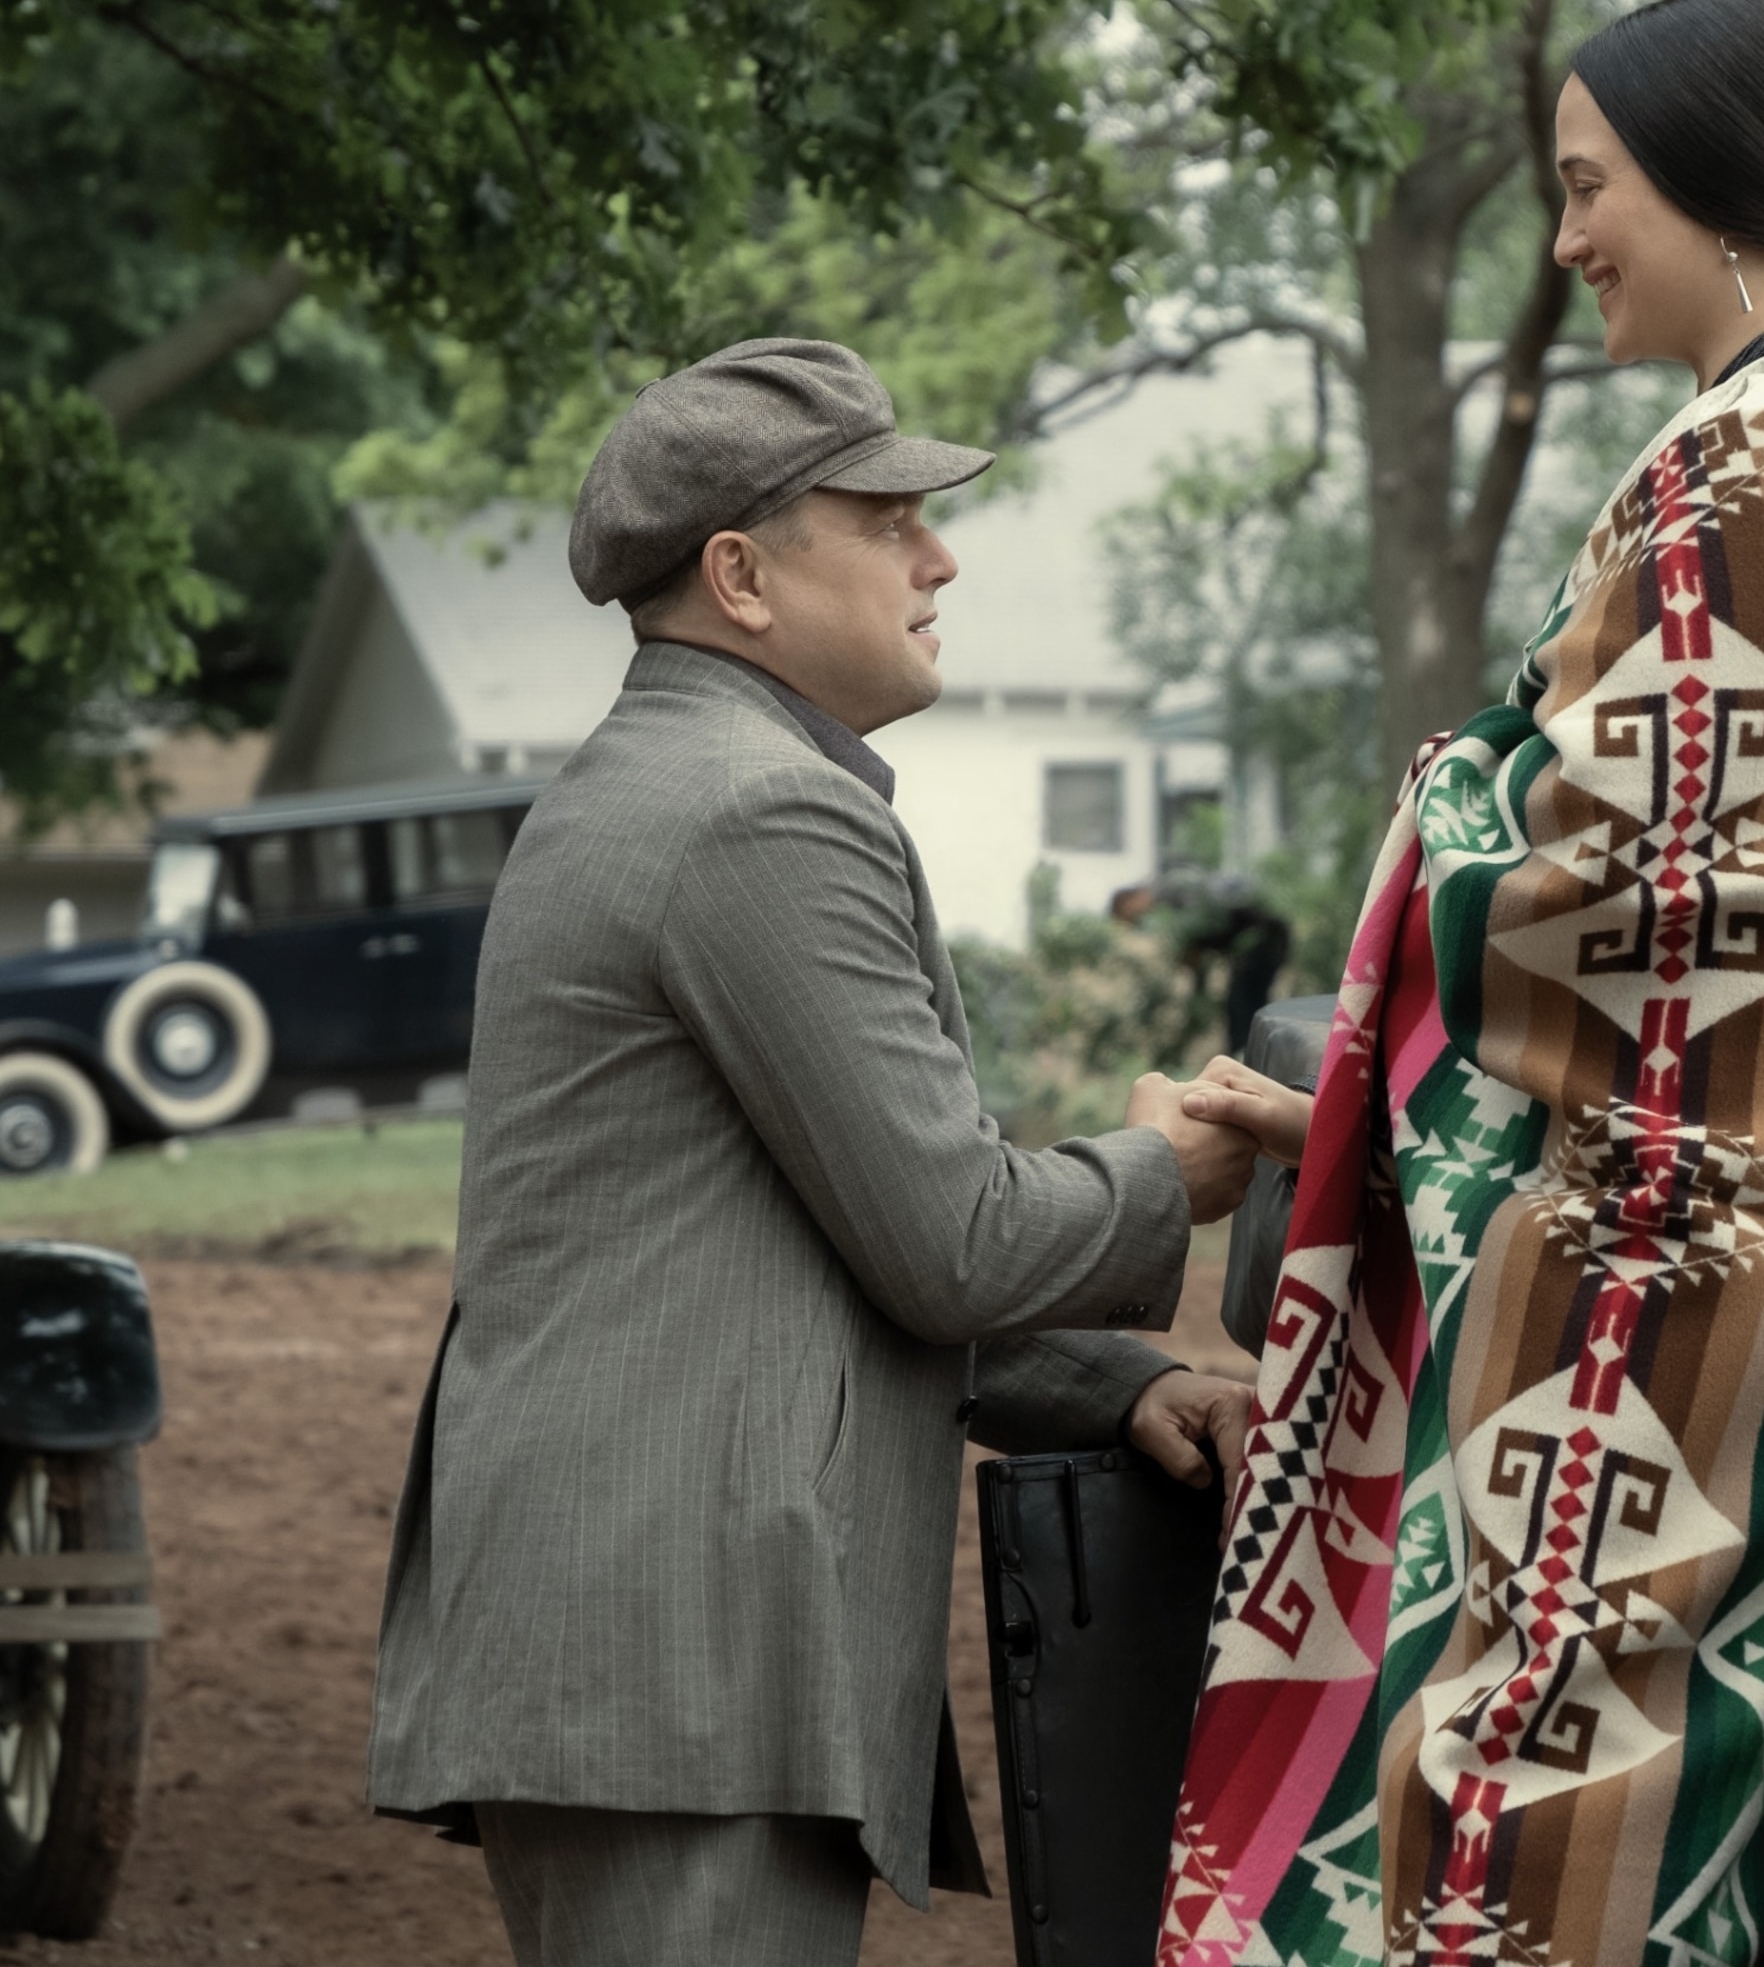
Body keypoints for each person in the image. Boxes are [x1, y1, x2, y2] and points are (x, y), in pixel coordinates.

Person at [1157, 0, 1764, 1967]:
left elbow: (1626, 922)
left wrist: (1458, 776)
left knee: (1522, 1834)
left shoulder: (1755, 453)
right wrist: (1354, 1099)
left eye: (1586, 184)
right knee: (1701, 1810)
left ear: (1718, 191)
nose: (1562, 239)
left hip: (1653, 1296)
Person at [364, 339, 1263, 1967]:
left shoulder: (670, 783)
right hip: (679, 1664)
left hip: (640, 1662)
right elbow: (955, 1241)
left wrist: (1119, 1387)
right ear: (742, 574)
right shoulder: (757, 811)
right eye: (889, 516)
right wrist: (1166, 1171)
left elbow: (824, 1255)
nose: (942, 555)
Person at [1111, 867, 1296, 1054]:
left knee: (1244, 1006)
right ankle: (1250, 1059)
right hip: (1258, 940)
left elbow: (1209, 920)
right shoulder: (1171, 902)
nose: (1139, 921)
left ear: (1129, 901)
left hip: (1262, 938)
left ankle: (1250, 1062)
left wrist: (1190, 946)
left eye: (1131, 917)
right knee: (1243, 1006)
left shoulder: (1171, 891)